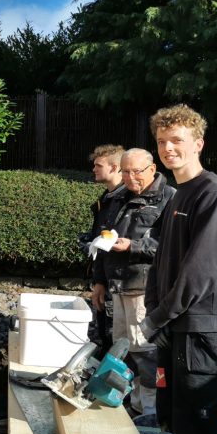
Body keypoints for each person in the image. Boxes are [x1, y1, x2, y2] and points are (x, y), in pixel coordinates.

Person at [141, 104, 217, 434]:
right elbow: (160, 261)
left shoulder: (214, 195)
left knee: (198, 432)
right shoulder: (177, 196)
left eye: (177, 140)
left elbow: (201, 271)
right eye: (162, 141)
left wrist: (158, 317)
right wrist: (153, 310)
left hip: (200, 334)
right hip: (173, 329)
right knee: (171, 420)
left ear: (198, 143)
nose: (168, 148)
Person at [92, 148, 175, 415]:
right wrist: (100, 281)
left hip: (145, 288)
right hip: (118, 284)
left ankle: (150, 411)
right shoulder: (119, 198)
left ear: (152, 169)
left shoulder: (169, 199)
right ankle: (132, 403)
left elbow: (173, 247)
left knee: (145, 350)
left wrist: (134, 246)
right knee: (123, 347)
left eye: (135, 172)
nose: (129, 177)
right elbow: (104, 239)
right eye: (125, 172)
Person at [78, 144, 126, 354]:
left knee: (116, 338)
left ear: (114, 167)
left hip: (118, 283)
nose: (94, 169)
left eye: (98, 165)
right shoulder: (106, 200)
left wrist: (103, 282)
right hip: (104, 278)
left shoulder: (126, 201)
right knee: (105, 331)